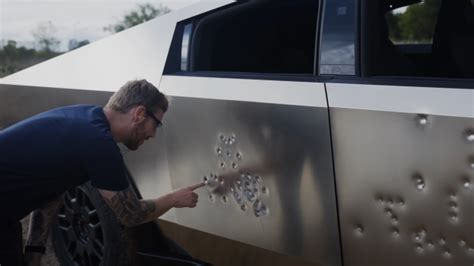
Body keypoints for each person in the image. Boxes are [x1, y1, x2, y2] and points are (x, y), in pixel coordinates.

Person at [0, 79, 204, 266]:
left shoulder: (86, 120)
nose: (153, 134)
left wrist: (35, 250)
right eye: (156, 124)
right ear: (139, 114)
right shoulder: (99, 143)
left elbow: (50, 193)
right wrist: (174, 198)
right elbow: (131, 215)